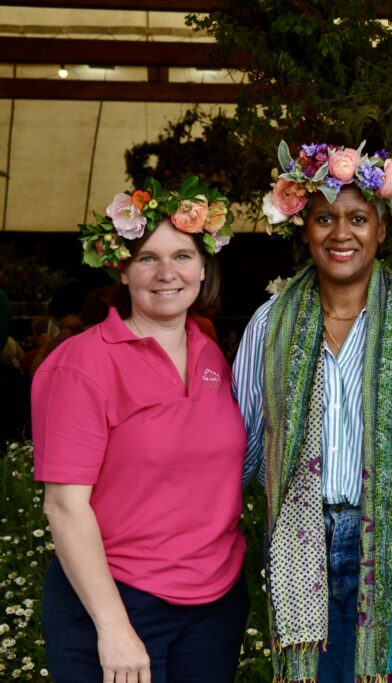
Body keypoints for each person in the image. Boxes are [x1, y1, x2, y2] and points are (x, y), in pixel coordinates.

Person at [233, 140, 392, 682]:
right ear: (304, 229)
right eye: (323, 219)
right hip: (298, 539)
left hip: (388, 538)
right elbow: (241, 447)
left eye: (358, 218)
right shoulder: (268, 326)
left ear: (382, 229)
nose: (341, 233)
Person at [32, 177, 247, 682]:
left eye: (183, 256)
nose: (167, 273)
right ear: (122, 270)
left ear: (203, 268)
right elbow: (65, 505)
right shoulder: (80, 365)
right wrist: (113, 626)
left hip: (214, 604)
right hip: (117, 598)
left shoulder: (210, 352)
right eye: (148, 257)